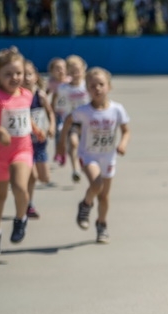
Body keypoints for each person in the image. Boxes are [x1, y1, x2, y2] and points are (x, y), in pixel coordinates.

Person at [56, 67, 130, 244]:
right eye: (92, 86)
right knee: (96, 184)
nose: (97, 89)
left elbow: (126, 130)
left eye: (101, 85)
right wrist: (61, 143)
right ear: (87, 90)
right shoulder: (83, 111)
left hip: (108, 157)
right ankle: (86, 204)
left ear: (109, 87)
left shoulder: (117, 109)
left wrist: (122, 143)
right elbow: (68, 121)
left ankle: (101, 224)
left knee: (104, 196)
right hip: (88, 155)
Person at [0, 47, 34, 257]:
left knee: (20, 187)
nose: (15, 78)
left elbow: (23, 117)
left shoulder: (27, 94)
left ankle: (21, 218)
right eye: (9, 74)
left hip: (22, 151)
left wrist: (36, 129)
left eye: (18, 73)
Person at [23, 59, 55, 219]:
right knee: (32, 176)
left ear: (35, 76)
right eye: (23, 75)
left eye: (29, 74)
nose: (26, 78)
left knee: (44, 178)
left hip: (40, 144)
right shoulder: (18, 96)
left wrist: (51, 126)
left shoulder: (39, 95)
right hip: (24, 143)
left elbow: (50, 112)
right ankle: (29, 205)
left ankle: (23, 194)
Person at [51, 54, 89, 184]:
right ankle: (75, 169)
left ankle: (88, 165)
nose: (76, 73)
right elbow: (59, 105)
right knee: (73, 143)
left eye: (78, 70)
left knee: (86, 147)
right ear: (68, 72)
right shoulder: (63, 88)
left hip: (88, 122)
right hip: (72, 121)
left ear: (84, 69)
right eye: (72, 71)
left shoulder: (88, 86)